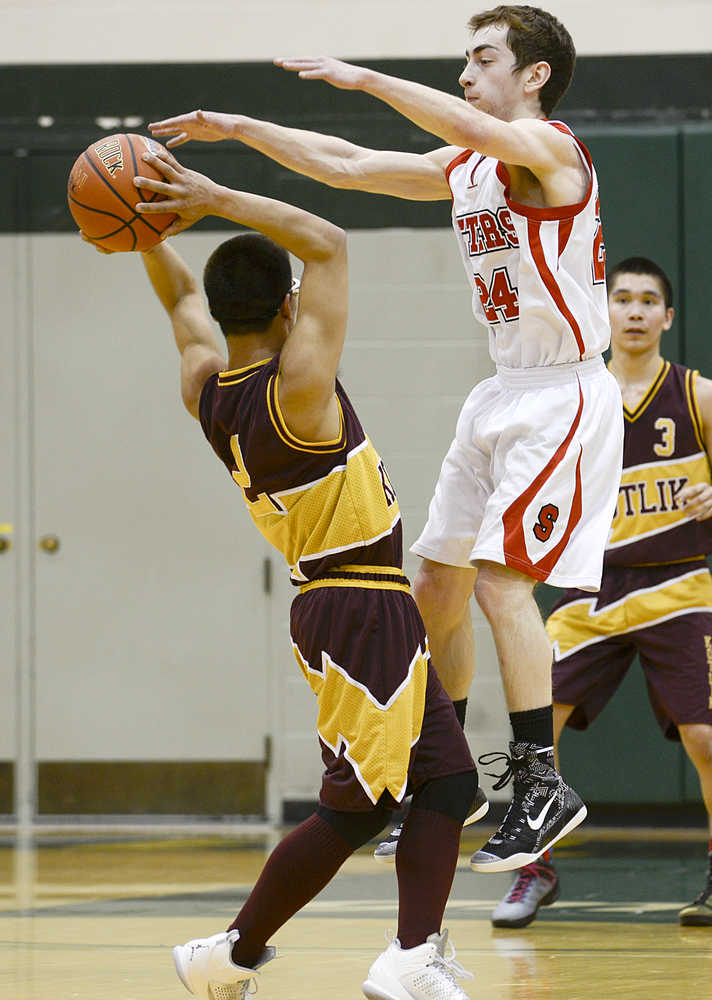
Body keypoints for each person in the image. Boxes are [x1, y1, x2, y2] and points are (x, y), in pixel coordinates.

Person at [147, 4, 623, 873]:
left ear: (534, 75)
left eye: (481, 59)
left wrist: (364, 76)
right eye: (464, 59)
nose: (465, 73)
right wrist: (242, 129)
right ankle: (447, 779)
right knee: (435, 583)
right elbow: (350, 164)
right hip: (501, 391)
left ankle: (542, 777)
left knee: (499, 586)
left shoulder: (555, 153)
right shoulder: (470, 166)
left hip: (565, 392)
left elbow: (470, 122)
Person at [86, 146, 482, 1000]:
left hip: (351, 604)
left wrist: (149, 228)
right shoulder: (299, 390)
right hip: (359, 604)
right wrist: (215, 196)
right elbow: (330, 242)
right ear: (290, 307)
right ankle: (228, 951)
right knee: (361, 803)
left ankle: (411, 957)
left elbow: (187, 299)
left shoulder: (206, 385)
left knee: (448, 781)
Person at [491, 257, 712, 929]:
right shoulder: (577, 399)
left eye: (650, 301)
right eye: (624, 299)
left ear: (668, 318)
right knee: (536, 727)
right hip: (593, 585)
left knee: (706, 736)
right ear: (604, 312)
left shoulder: (697, 395)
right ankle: (537, 866)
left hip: (680, 581)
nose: (637, 311)